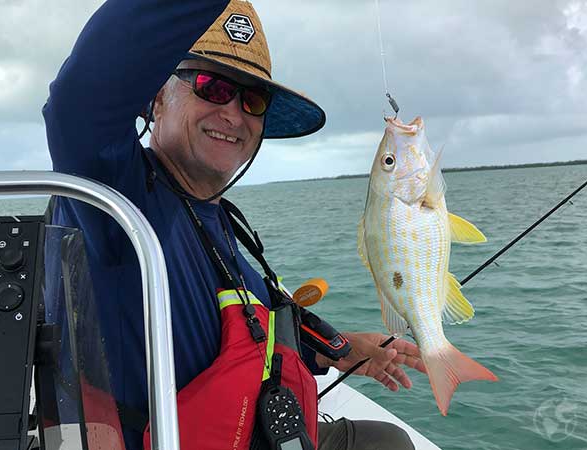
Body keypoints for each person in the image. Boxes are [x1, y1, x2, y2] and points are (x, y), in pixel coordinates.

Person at [43, 0, 426, 449]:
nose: (234, 113)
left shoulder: (219, 222)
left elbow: (249, 322)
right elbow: (81, 101)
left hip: (250, 428)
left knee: (388, 441)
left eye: (253, 99)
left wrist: (340, 348)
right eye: (211, 87)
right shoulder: (119, 201)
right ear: (156, 100)